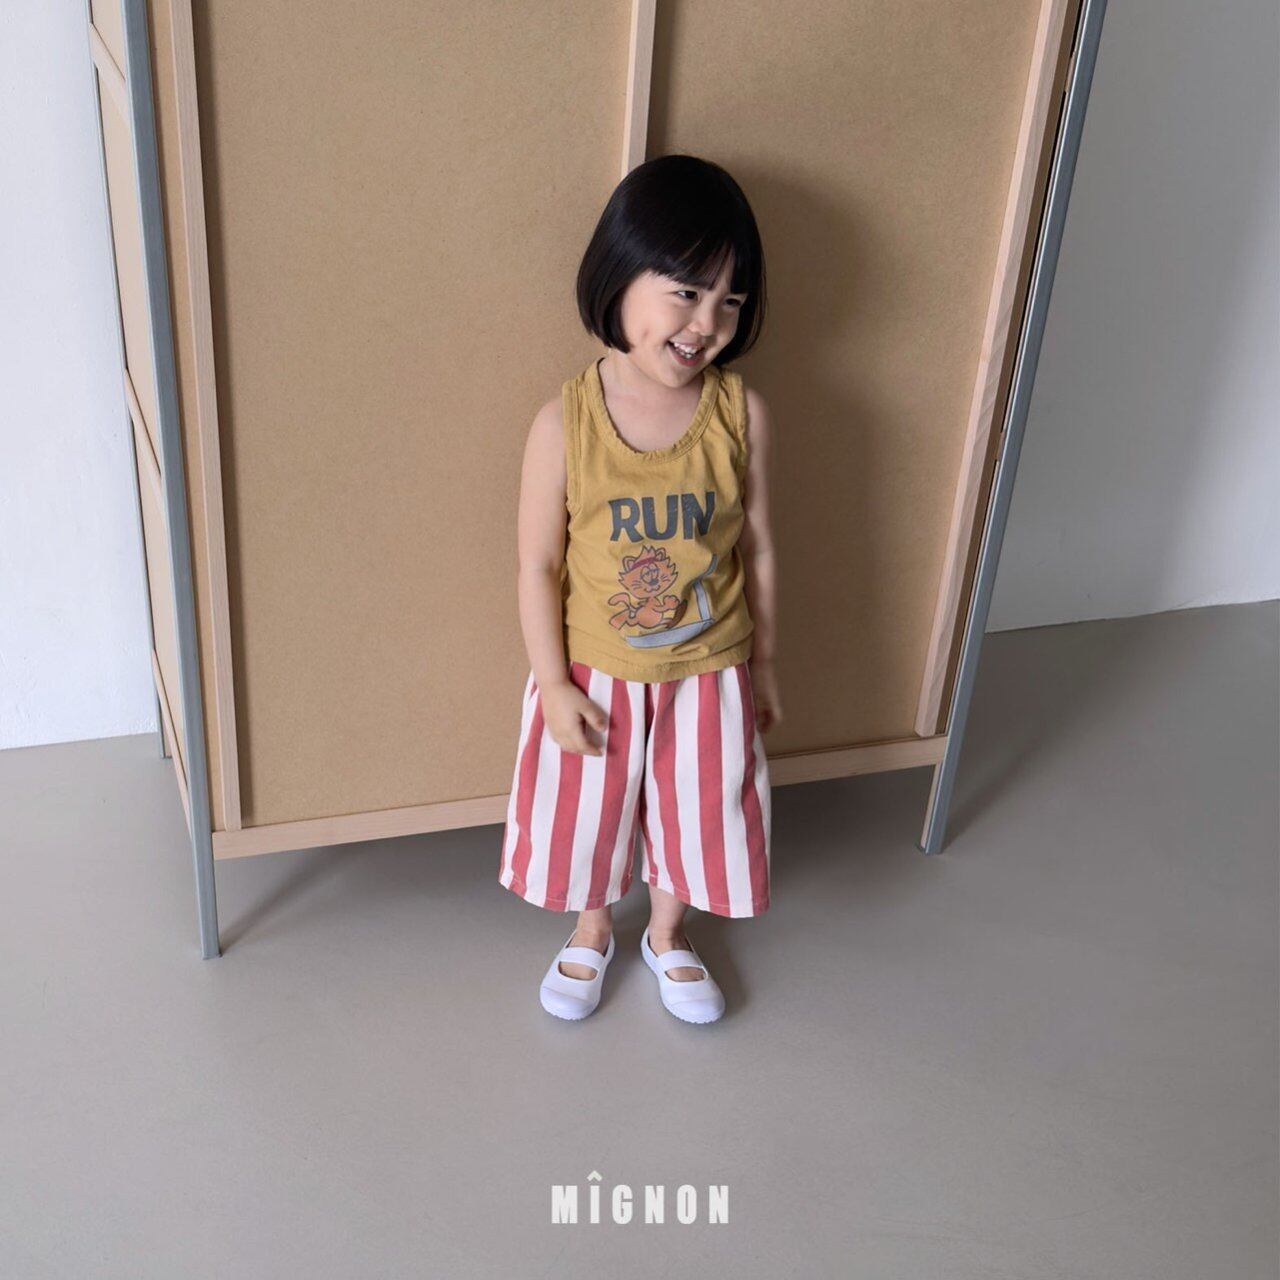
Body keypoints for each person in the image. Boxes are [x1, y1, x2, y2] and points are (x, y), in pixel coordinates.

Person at [497, 154, 781, 1024]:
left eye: (730, 301)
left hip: (710, 668)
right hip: (598, 671)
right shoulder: (564, 423)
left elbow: (760, 547)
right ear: (618, 278)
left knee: (698, 807)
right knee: (591, 808)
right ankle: (592, 927)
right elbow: (537, 566)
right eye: (687, 292)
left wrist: (766, 665)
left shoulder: (740, 415)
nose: (707, 322)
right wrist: (552, 684)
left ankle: (666, 932)